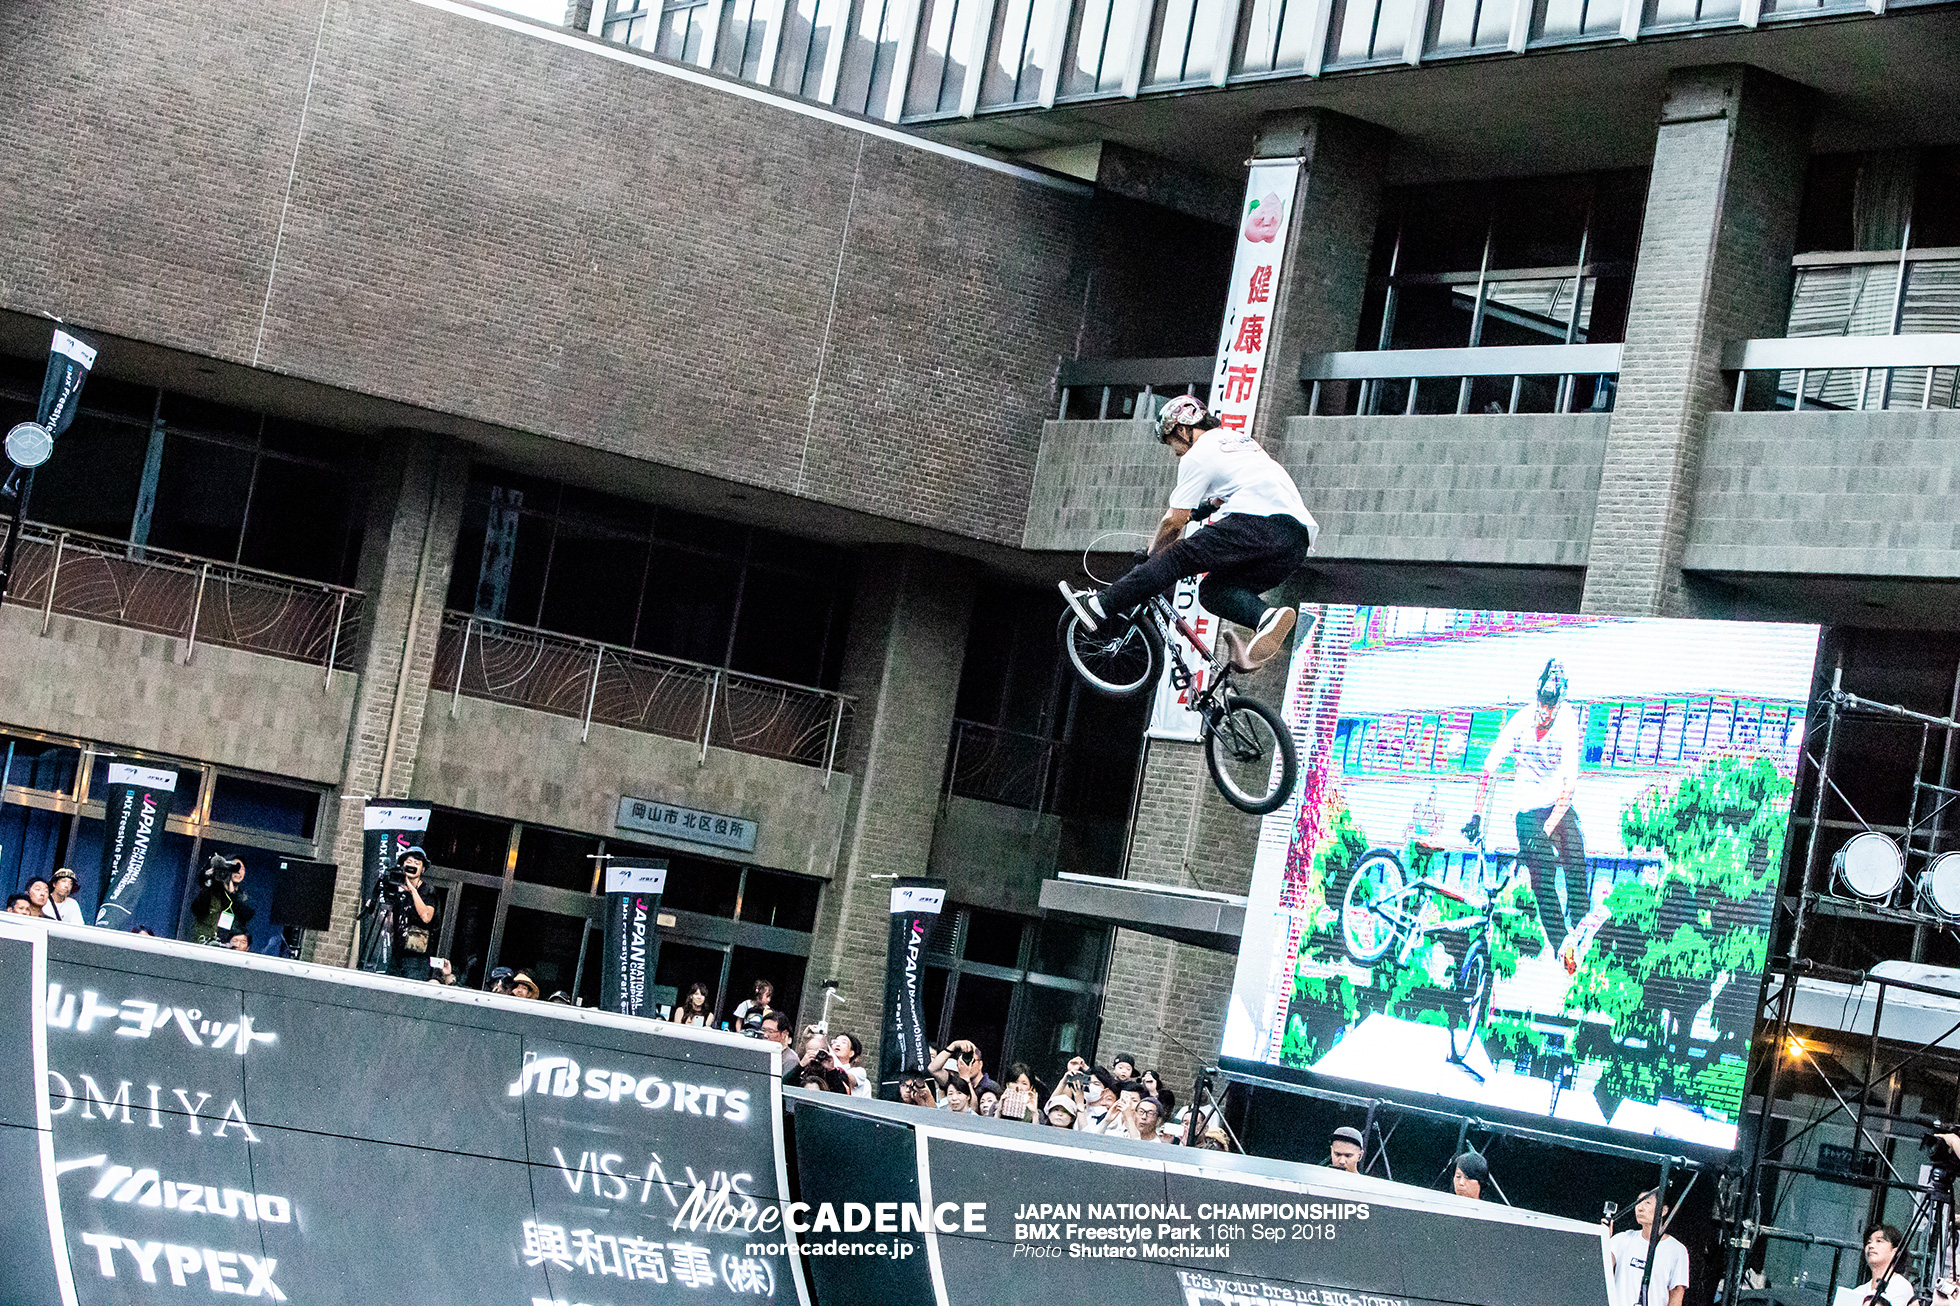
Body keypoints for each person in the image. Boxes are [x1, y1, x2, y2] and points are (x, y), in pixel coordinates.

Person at [1058, 394, 1318, 673]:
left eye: (1173, 442)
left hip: (1259, 523)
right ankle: (1265, 619)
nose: (1176, 452)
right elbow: (1231, 489)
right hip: (1295, 542)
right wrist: (1205, 509)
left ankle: (1099, 606)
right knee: (1214, 591)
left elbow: (1173, 522)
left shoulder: (1197, 456)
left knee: (1177, 556)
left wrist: (1153, 557)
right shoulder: (1239, 441)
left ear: (1183, 429)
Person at [1463, 658, 1590, 961]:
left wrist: (1548, 831)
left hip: (1556, 806)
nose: (1545, 714)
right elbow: (1488, 770)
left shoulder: (1568, 722)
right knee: (1541, 876)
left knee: (1575, 850)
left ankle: (1581, 919)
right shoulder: (1520, 721)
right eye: (1542, 705)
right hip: (1526, 812)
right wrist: (1476, 814)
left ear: (1560, 704)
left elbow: (1569, 788)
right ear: (1537, 698)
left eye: (1552, 707)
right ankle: (1562, 945)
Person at [1608, 1188, 1691, 1306]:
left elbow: (1676, 1294)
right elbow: (1600, 1269)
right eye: (1638, 1203)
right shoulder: (1621, 1239)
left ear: (1663, 1210)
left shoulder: (1677, 1250)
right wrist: (1603, 1238)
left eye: (1647, 1203)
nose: (1640, 1208)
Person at [387, 846, 438, 981]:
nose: (412, 865)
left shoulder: (428, 891)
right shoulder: (398, 891)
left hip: (417, 959)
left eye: (417, 863)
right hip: (397, 954)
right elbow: (389, 924)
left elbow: (426, 917)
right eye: (409, 862)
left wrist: (412, 891)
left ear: (423, 869)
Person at [1833, 1224, 1913, 1306]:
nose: (1870, 1246)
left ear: (1895, 1252)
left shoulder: (1900, 1286)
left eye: (1879, 1241)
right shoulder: (1858, 1291)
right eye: (1868, 1242)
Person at [189, 859, 252, 946]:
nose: (238, 872)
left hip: (231, 944)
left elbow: (246, 916)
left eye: (241, 869)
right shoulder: (212, 892)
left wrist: (233, 894)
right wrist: (207, 884)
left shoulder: (245, 896)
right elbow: (197, 910)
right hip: (206, 941)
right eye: (234, 869)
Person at [929, 1039, 1001, 1099]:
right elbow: (933, 1069)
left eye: (972, 1062)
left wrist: (968, 1081)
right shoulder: (956, 1082)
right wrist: (953, 1045)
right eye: (963, 1062)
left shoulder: (991, 1086)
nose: (967, 1066)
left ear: (980, 1064)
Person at [829, 1032, 873, 1097]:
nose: (837, 1044)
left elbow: (843, 1077)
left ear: (851, 1053)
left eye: (843, 1042)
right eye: (835, 1042)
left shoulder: (859, 1073)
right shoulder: (824, 1069)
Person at [757, 1009, 799, 1076]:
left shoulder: (790, 1060)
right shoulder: (758, 1052)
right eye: (763, 1030)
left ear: (784, 1034)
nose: (765, 1035)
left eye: (770, 1032)